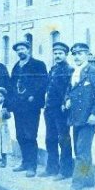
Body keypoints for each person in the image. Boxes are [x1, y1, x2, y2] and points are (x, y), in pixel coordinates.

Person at [64, 43, 95, 190]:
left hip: (89, 119)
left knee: (81, 151)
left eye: (80, 53)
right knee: (80, 149)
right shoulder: (74, 72)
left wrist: (94, 114)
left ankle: (76, 184)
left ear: (87, 54)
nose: (76, 56)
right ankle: (89, 179)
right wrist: (67, 99)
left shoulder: (93, 72)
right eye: (74, 54)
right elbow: (69, 90)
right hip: (76, 118)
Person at [10, 41, 47, 177]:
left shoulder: (38, 65)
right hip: (18, 107)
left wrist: (33, 95)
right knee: (20, 135)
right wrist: (10, 104)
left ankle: (32, 166)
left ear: (28, 50)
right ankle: (25, 162)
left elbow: (43, 83)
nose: (21, 51)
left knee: (30, 135)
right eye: (18, 49)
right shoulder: (16, 67)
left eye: (23, 48)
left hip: (31, 107)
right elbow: (11, 86)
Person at [39, 42, 74, 181]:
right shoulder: (53, 69)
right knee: (50, 139)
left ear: (66, 55)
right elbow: (48, 88)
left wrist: (65, 102)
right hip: (50, 109)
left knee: (63, 139)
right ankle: (52, 168)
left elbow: (69, 89)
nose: (57, 56)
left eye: (60, 53)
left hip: (61, 110)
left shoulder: (70, 70)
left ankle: (65, 171)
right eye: (55, 53)